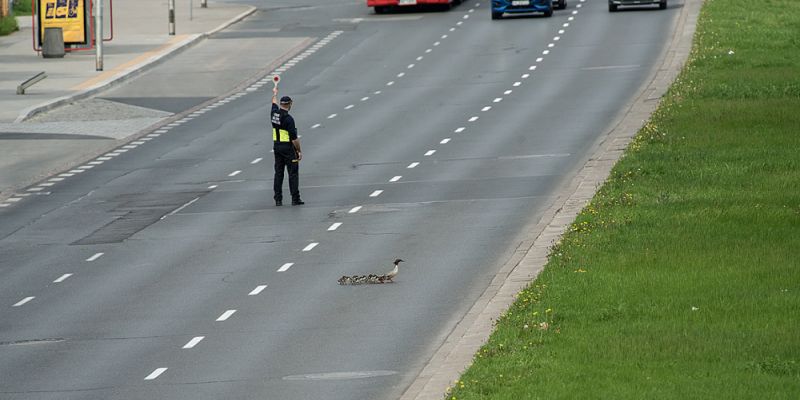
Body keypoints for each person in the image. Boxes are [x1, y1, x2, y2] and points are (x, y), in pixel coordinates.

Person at [271, 86, 303, 206]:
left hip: (277, 147)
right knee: (293, 174)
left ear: (281, 104)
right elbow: (294, 139)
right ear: (289, 104)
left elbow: (273, 102)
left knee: (278, 173)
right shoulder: (289, 119)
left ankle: (278, 199)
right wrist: (299, 151)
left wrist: (275, 93)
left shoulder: (274, 114)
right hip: (288, 148)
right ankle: (295, 198)